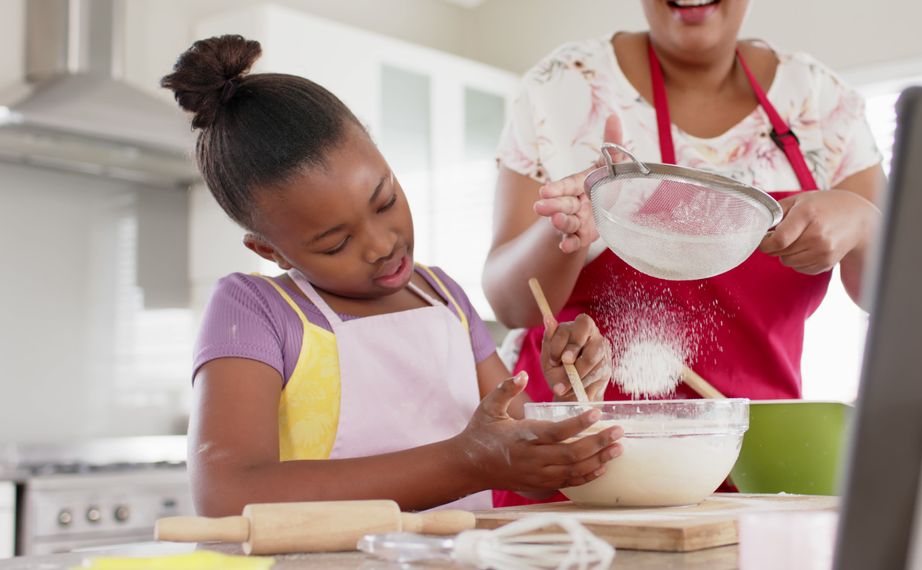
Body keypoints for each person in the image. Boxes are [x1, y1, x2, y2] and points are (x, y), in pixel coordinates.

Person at [162, 35, 622, 517]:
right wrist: (466, 463)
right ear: (268, 251)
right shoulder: (255, 311)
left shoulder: (443, 295)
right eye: (336, 243)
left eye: (385, 200)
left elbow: (530, 471)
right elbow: (226, 495)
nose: (382, 245)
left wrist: (569, 398)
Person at [484, 0, 885, 503]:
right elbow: (510, 304)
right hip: (581, 467)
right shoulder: (563, 86)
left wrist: (865, 224)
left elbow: (898, 303)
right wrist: (568, 224)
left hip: (755, 466)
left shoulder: (824, 104)